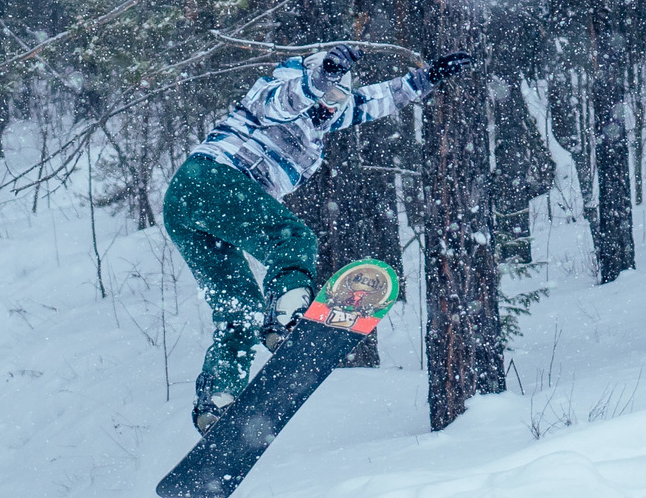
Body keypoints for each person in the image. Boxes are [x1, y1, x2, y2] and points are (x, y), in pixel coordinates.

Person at [164, 45, 473, 433]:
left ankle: (217, 400)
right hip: (214, 179)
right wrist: (320, 77)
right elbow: (286, 99)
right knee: (294, 240)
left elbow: (376, 100)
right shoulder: (270, 94)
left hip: (187, 208)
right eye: (328, 97)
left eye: (338, 101)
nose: (330, 108)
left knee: (238, 309)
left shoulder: (324, 121)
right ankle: (286, 316)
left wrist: (426, 79)